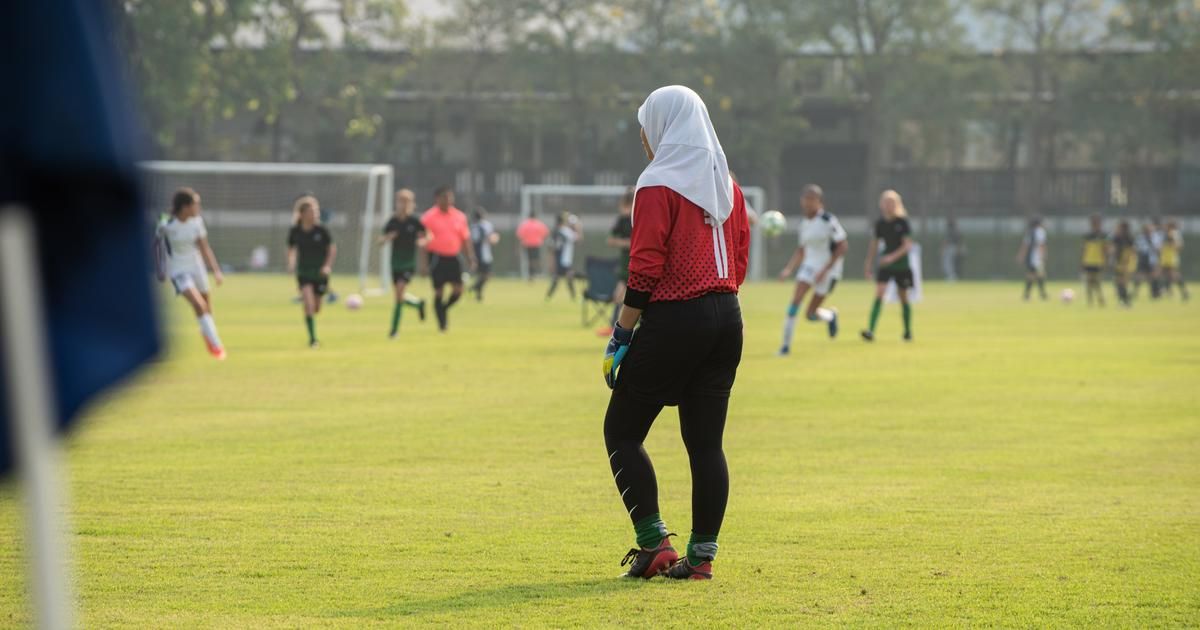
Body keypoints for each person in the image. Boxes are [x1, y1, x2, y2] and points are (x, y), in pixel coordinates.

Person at [602, 85, 750, 581]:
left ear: (662, 124)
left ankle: (654, 545)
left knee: (621, 430)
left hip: (675, 317)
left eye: (646, 124)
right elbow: (741, 257)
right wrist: (718, 303)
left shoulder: (657, 183)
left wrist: (621, 335)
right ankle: (701, 558)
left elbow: (644, 267)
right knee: (706, 444)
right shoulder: (727, 184)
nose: (644, 136)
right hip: (727, 316)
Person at [156, 187, 226, 360]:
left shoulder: (197, 222)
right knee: (199, 305)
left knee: (207, 307)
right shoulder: (166, 224)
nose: (198, 208)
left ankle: (207, 335)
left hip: (197, 267)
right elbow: (156, 246)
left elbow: (204, 247)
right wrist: (160, 269)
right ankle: (217, 346)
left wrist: (216, 271)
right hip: (178, 271)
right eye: (196, 205)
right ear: (185, 207)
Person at [776, 184, 847, 354]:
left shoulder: (828, 220)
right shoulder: (804, 223)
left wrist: (825, 269)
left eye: (812, 200)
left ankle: (830, 316)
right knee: (795, 301)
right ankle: (785, 347)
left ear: (819, 202)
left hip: (830, 270)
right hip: (809, 266)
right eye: (806, 199)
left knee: (810, 314)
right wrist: (788, 269)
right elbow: (801, 250)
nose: (808, 203)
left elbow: (842, 246)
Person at [421, 186, 477, 332]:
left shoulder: (460, 216)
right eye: (445, 197)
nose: (448, 200)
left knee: (458, 290)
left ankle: (443, 309)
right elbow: (423, 243)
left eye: (450, 197)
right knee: (439, 292)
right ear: (437, 199)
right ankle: (442, 324)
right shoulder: (428, 217)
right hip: (437, 257)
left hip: (453, 257)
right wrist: (424, 264)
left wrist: (470, 257)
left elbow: (465, 239)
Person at [861, 190, 915, 342]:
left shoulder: (902, 222)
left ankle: (907, 331)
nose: (888, 206)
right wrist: (868, 264)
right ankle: (870, 331)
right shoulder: (880, 224)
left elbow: (907, 246)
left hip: (901, 265)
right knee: (879, 293)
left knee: (903, 298)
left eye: (891, 203)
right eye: (885, 203)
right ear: (881, 205)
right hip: (886, 265)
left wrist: (891, 257)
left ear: (897, 204)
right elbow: (874, 245)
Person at [287, 195, 336, 348]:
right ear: (302, 214)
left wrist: (327, 266)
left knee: (316, 308)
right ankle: (313, 339)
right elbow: (291, 249)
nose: (315, 214)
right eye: (311, 211)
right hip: (304, 272)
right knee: (308, 304)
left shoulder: (322, 231)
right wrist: (291, 263)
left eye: (316, 211)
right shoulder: (295, 231)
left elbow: (332, 249)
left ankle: (311, 324)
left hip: (320, 274)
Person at [378, 188, 427, 338]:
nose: (404, 205)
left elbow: (428, 235)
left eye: (407, 202)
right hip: (395, 263)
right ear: (396, 203)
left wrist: (422, 241)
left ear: (412, 204)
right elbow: (380, 241)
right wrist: (388, 238)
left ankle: (394, 330)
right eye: (401, 201)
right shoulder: (392, 222)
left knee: (399, 292)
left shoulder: (415, 221)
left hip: (408, 263)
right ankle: (418, 304)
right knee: (399, 296)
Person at [597, 188, 635, 336]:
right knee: (618, 296)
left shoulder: (641, 218)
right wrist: (626, 243)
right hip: (625, 265)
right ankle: (613, 326)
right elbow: (610, 240)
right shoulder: (622, 221)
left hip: (640, 265)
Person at [546, 212, 579, 300]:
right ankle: (573, 296)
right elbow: (578, 238)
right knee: (565, 276)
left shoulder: (555, 232)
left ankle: (548, 296)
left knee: (559, 277)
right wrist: (577, 226)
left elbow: (551, 248)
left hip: (559, 259)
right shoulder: (566, 231)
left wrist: (551, 262)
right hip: (565, 259)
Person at [470, 207, 500, 301]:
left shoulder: (473, 226)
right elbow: (489, 238)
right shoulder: (484, 225)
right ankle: (474, 288)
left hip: (476, 254)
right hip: (483, 254)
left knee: (482, 275)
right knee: (487, 275)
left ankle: (478, 295)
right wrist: (494, 238)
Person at [1016, 217, 1049, 301]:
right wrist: (1043, 255)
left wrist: (1021, 256)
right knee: (1038, 274)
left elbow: (1025, 245)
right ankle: (1042, 294)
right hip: (1036, 257)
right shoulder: (1040, 231)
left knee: (1033, 274)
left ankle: (1029, 295)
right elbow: (1041, 244)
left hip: (1030, 257)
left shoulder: (1029, 232)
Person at [1158, 219, 1189, 301]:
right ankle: (1169, 291)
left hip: (1170, 258)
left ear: (1170, 226)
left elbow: (1179, 246)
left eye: (1166, 225)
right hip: (1165, 257)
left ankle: (1183, 291)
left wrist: (1172, 245)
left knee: (1172, 274)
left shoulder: (1173, 233)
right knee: (1168, 274)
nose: (1164, 227)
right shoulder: (1167, 234)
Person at [1081, 214, 1108, 307]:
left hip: (1098, 261)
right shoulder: (1088, 235)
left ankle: (1100, 299)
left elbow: (1105, 249)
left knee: (1097, 281)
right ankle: (1090, 301)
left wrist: (1105, 260)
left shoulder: (1103, 235)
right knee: (1088, 281)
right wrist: (1082, 261)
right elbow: (1084, 249)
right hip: (1088, 261)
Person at [517, 213, 550, 280]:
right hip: (536, 244)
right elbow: (546, 232)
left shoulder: (525, 224)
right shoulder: (539, 224)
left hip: (527, 244)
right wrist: (541, 238)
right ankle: (534, 273)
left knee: (529, 259)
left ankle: (530, 273)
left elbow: (519, 234)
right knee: (535, 260)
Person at [1111, 220, 1136, 307]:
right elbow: (1113, 250)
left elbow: (1131, 251)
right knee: (1119, 281)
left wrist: (1127, 262)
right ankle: (1124, 300)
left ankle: (1126, 301)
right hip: (1119, 262)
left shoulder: (1129, 238)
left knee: (1122, 282)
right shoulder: (1116, 238)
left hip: (1126, 262)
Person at [1134, 222, 1160, 300]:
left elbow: (1158, 248)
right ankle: (1135, 293)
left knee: (1153, 276)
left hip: (1152, 259)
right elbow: (1137, 247)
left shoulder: (1155, 237)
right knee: (1140, 276)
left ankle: (1154, 293)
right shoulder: (1140, 237)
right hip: (1143, 259)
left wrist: (1152, 244)